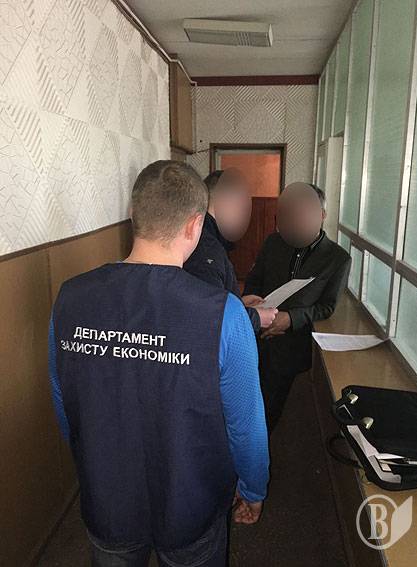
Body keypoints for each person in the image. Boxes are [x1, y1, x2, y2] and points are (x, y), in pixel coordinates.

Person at [48, 161, 269, 567]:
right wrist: (254, 487)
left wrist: (95, 460)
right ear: (196, 225)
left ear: (134, 214)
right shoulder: (224, 314)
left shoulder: (70, 298)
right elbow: (245, 424)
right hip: (191, 505)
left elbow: (67, 407)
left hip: (107, 497)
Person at [243, 182, 351, 432]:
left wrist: (291, 319)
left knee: (271, 404)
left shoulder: (337, 259)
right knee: (244, 392)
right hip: (255, 330)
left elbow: (326, 307)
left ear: (321, 215)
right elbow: (254, 279)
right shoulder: (273, 242)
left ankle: (262, 439)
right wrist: (253, 304)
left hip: (291, 343)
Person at [184, 168, 277, 333]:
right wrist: (256, 317)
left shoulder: (212, 238)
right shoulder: (206, 247)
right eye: (241, 207)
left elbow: (215, 297)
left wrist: (238, 303)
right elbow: (209, 317)